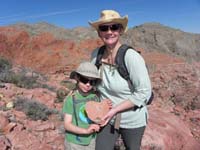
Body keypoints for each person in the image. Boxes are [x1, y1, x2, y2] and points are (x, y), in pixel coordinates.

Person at [89, 10, 152, 150]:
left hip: (131, 118)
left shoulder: (131, 57)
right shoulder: (96, 55)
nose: (109, 31)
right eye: (104, 28)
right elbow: (91, 81)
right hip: (106, 117)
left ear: (121, 30)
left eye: (114, 27)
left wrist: (115, 110)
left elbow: (144, 92)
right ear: (99, 32)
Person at [62, 61, 101, 150]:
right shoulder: (71, 99)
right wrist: (85, 131)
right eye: (84, 80)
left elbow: (98, 116)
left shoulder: (95, 97)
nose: (88, 84)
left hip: (91, 141)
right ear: (77, 78)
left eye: (92, 82)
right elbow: (67, 124)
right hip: (74, 142)